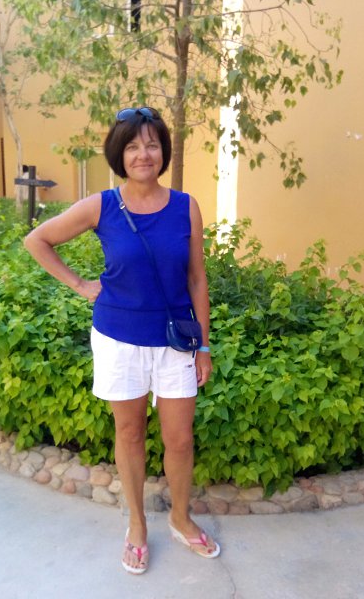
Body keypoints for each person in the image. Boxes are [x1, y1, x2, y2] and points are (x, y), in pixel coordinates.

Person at [24, 107, 220, 574]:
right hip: (119, 338)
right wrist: (80, 285)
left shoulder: (185, 206)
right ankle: (136, 525)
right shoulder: (103, 206)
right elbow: (37, 240)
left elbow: (197, 278)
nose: (143, 154)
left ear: (163, 151)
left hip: (175, 340)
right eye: (132, 146)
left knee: (180, 440)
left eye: (151, 144)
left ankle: (180, 518)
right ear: (119, 154)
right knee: (129, 433)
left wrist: (204, 345)